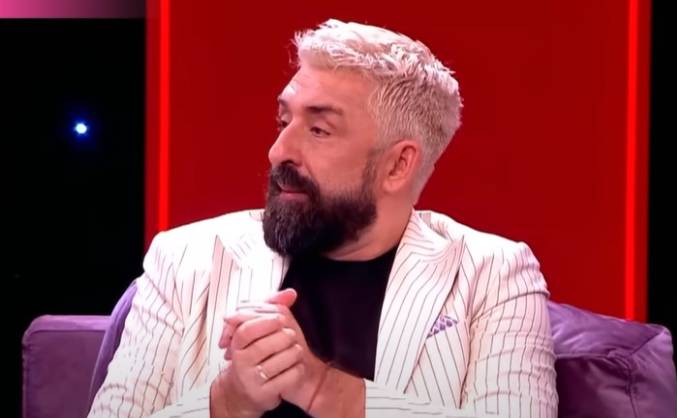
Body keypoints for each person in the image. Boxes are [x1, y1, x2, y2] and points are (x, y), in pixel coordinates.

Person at [88, 19, 558, 418]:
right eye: (283, 121)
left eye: (318, 129)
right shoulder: (187, 257)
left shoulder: (492, 274)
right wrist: (226, 401)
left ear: (398, 165)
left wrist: (324, 390)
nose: (279, 151)